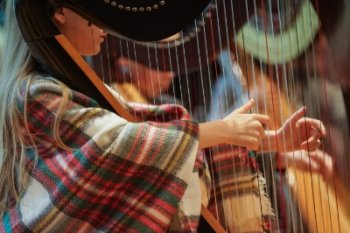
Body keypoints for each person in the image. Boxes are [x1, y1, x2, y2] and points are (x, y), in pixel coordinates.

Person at [0, 1, 326, 232]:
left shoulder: (81, 92)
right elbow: (120, 146)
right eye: (94, 16)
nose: (105, 29)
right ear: (61, 13)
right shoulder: (33, 95)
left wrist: (265, 141)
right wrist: (224, 129)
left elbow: (155, 146)